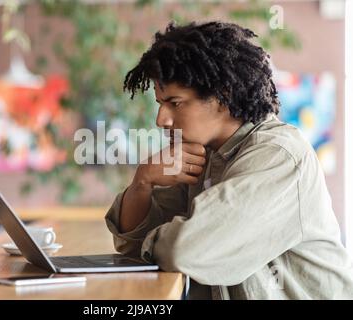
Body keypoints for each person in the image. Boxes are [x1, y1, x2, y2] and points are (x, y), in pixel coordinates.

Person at [104, 21, 353, 299]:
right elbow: (131, 243)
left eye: (175, 103)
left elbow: (186, 251)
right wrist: (143, 181)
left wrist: (160, 240)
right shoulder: (203, 154)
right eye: (160, 104)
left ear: (223, 97)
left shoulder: (278, 156)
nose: (160, 120)